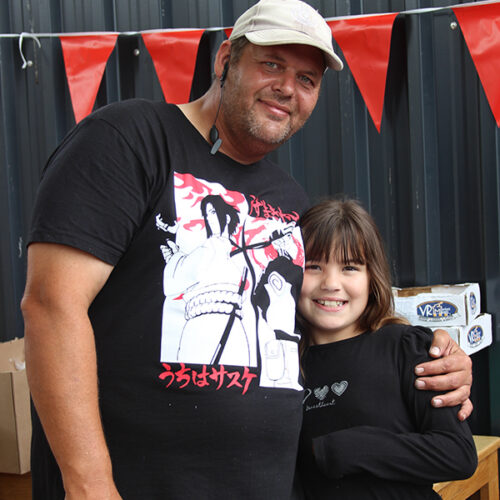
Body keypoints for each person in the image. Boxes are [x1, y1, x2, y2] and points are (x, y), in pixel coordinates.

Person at [20, 1, 473, 499]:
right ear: (225, 60)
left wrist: (435, 354)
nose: (287, 88)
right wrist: (89, 485)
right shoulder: (129, 139)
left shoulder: (289, 199)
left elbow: (318, 324)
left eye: (307, 79)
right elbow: (51, 304)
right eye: (272, 64)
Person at [295, 198, 478, 499]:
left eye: (349, 267)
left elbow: (457, 454)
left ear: (372, 278)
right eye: (313, 266)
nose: (331, 283)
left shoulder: (406, 348)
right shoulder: (283, 364)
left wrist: (351, 449)